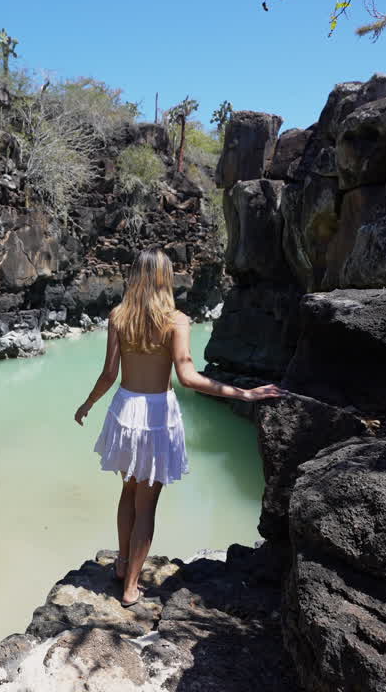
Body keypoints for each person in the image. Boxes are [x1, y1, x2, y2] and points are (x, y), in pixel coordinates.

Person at [74, 249, 282, 606]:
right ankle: (130, 588)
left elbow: (110, 374)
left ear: (135, 276)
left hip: (125, 410)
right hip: (156, 416)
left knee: (128, 491)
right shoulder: (176, 321)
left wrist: (88, 403)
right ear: (165, 278)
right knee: (147, 504)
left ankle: (122, 567)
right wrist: (244, 394)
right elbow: (187, 377)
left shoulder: (119, 316)